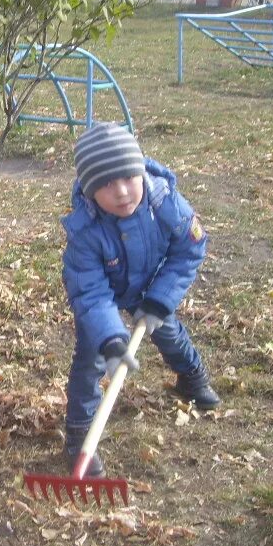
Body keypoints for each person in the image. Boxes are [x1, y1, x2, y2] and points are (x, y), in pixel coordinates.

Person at [61, 122, 219, 477]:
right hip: (105, 293)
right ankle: (79, 437)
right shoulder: (85, 231)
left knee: (167, 331)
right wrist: (112, 341)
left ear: (140, 170)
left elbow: (190, 249)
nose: (120, 192)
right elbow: (89, 292)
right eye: (105, 184)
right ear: (89, 190)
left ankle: (192, 377)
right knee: (91, 360)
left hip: (150, 283)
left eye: (127, 178)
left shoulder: (163, 200)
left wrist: (160, 300)